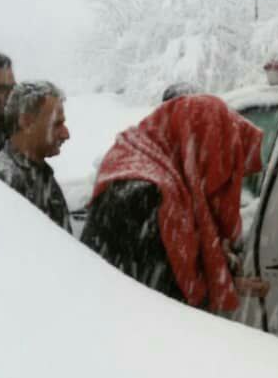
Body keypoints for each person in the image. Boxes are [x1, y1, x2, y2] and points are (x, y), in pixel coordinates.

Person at [81, 95, 267, 311]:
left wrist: (229, 282)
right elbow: (165, 300)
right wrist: (221, 286)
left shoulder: (151, 173)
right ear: (202, 148)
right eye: (226, 170)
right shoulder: (148, 196)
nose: (226, 188)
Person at [0, 81, 72, 232]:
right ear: (26, 122)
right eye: (57, 124)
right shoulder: (3, 181)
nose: (66, 134)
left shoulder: (39, 172)